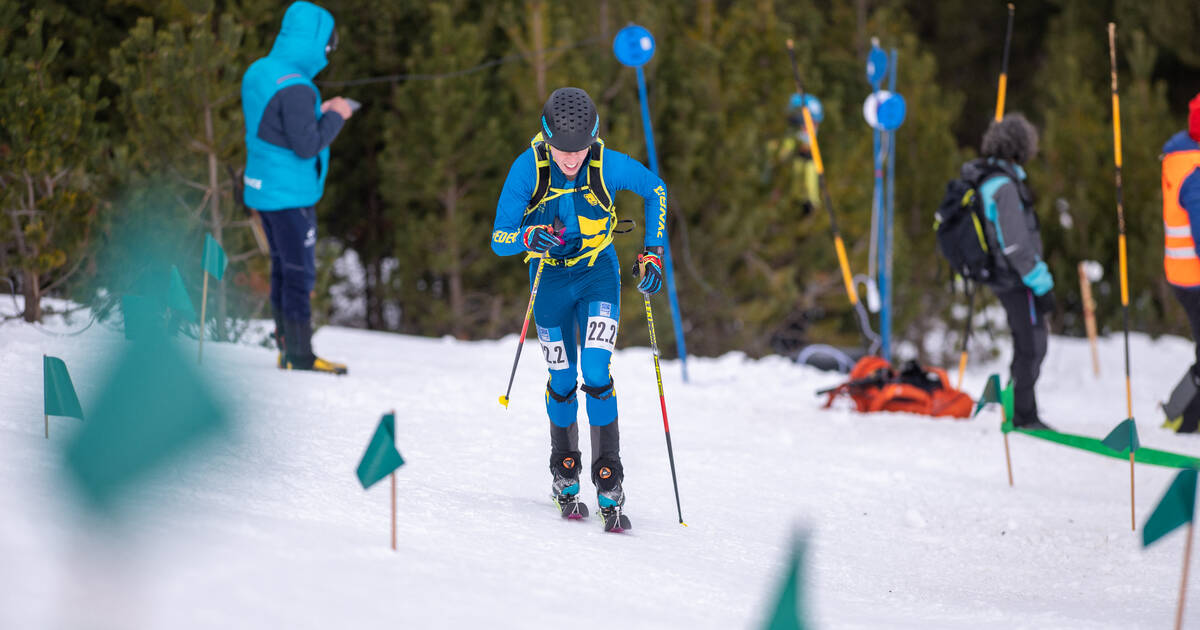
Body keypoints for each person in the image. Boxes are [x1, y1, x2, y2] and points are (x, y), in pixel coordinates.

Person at [491, 87, 668, 525]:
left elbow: (656, 190)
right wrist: (528, 238)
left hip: (597, 274)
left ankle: (609, 477)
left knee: (595, 369)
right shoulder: (527, 169)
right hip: (548, 279)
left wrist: (652, 252)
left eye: (580, 150)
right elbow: (499, 238)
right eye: (561, 151)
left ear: (593, 139)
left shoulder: (606, 163)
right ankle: (564, 468)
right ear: (546, 138)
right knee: (562, 376)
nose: (571, 160)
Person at [241, 0, 351, 374]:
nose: (328, 54)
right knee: (298, 272)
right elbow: (307, 145)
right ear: (316, 42)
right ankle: (300, 357)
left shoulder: (261, 71)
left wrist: (319, 112)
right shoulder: (298, 88)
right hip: (290, 195)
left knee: (281, 267)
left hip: (263, 188)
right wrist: (336, 115)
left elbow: (275, 127)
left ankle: (286, 347)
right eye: (328, 46)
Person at [962, 113, 1054, 430]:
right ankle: (1023, 414)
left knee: (1029, 342)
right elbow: (1015, 245)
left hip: (1006, 275)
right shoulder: (1004, 186)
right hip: (1016, 277)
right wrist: (1042, 285)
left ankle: (1021, 408)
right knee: (1031, 344)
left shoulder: (991, 178)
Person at [1161, 93, 1200, 433]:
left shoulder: (1180, 158)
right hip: (1194, 276)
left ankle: (1185, 415)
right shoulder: (1196, 174)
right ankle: (1182, 415)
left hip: (1183, 272)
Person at [766, 93, 822, 216]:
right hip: (788, 168)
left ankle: (806, 209)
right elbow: (783, 153)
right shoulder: (788, 138)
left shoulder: (809, 158)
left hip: (805, 162)